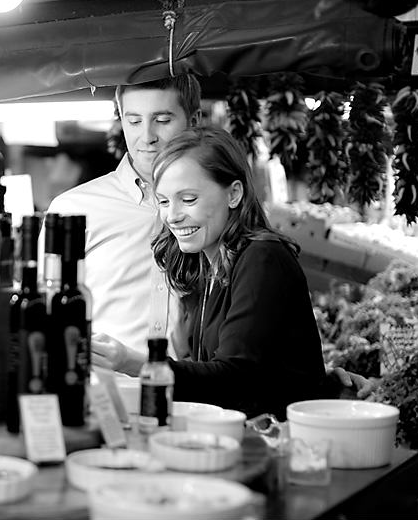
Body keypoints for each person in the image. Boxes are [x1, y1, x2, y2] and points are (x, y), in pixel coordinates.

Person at [97, 126, 341, 418]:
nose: (172, 216)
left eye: (188, 199)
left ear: (234, 194)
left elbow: (235, 378)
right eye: (163, 201)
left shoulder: (263, 258)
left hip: (281, 445)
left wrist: (133, 362)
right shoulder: (205, 262)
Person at [43, 76, 201, 357]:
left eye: (162, 120)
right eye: (134, 120)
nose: (147, 136)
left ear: (194, 120)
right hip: (103, 390)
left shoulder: (216, 208)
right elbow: (45, 313)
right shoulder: (74, 209)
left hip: (189, 392)